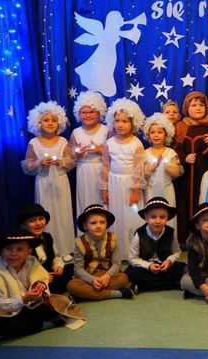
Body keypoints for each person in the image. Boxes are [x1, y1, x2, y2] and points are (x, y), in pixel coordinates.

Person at [0, 230, 81, 339]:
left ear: (29, 252)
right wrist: (23, 299)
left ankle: (32, 324)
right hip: (10, 310)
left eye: (19, 249)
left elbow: (42, 280)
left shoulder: (32, 262)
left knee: (60, 301)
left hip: (34, 306)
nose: (13, 253)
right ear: (2, 251)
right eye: (8, 249)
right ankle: (45, 324)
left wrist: (40, 289)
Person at [22, 101, 75, 258]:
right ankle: (49, 250)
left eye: (54, 120)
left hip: (61, 181)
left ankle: (65, 249)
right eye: (46, 120)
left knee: (63, 214)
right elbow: (28, 164)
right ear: (38, 122)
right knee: (45, 214)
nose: (50, 123)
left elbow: (71, 161)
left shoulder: (63, 141)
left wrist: (60, 162)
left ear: (60, 122)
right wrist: (39, 163)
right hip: (43, 182)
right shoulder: (34, 142)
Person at [101, 98, 146, 260]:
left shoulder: (136, 144)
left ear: (133, 123)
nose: (120, 125)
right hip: (114, 184)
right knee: (117, 216)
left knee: (131, 217)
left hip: (129, 185)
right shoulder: (109, 143)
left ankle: (133, 251)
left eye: (125, 121)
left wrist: (135, 191)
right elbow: (105, 166)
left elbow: (138, 170)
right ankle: (118, 250)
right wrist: (104, 189)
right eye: (117, 121)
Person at [174, 92, 208, 242]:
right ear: (186, 108)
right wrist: (184, 158)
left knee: (202, 201)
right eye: (194, 105)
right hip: (185, 177)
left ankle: (204, 237)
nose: (198, 108)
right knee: (185, 204)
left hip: (205, 173)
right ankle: (185, 237)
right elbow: (173, 150)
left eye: (201, 105)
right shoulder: (181, 127)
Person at [67, 204, 133, 300]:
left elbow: (117, 263)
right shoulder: (80, 242)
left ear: (107, 224)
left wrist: (107, 275)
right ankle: (118, 294)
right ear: (85, 226)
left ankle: (84, 296)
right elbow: (78, 269)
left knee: (123, 278)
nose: (98, 226)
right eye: (93, 223)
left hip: (107, 276)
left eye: (102, 222)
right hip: (88, 277)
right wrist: (92, 280)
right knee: (72, 285)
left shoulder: (112, 239)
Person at [125, 197, 186, 293]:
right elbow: (132, 258)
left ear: (167, 218)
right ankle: (174, 285)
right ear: (146, 217)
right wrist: (148, 265)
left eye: (162, 217)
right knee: (132, 272)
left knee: (182, 267)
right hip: (146, 266)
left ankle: (143, 287)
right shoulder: (139, 234)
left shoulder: (170, 232)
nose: (158, 221)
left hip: (164, 266)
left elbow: (177, 252)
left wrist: (169, 261)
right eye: (153, 217)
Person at [18, 203, 73, 294]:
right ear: (23, 225)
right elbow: (22, 272)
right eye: (32, 221)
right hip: (35, 281)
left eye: (41, 219)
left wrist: (58, 267)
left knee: (71, 268)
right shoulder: (22, 244)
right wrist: (42, 277)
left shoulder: (47, 237)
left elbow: (55, 257)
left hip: (50, 275)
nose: (38, 223)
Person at [69, 91, 109, 217]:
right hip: (83, 171)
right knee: (85, 201)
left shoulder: (106, 130)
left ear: (99, 112)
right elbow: (70, 155)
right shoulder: (76, 132)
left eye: (92, 112)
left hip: (101, 170)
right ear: (79, 114)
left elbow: (114, 153)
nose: (88, 115)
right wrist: (77, 153)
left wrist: (100, 150)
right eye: (84, 112)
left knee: (102, 202)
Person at [142, 113, 184, 229]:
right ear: (148, 135)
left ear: (166, 134)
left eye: (160, 132)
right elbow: (141, 175)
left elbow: (177, 173)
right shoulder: (145, 153)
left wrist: (165, 166)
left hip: (167, 190)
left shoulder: (171, 153)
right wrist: (150, 169)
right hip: (150, 191)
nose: (156, 135)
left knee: (167, 219)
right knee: (152, 217)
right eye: (152, 132)